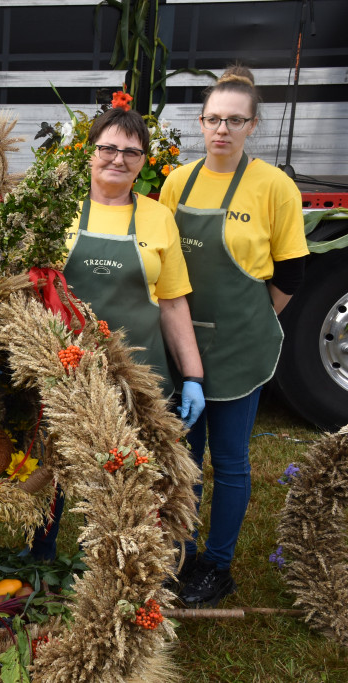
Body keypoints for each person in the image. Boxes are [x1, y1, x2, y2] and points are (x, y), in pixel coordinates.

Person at [27, 107, 206, 561]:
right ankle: (40, 554)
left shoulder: (158, 218)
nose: (118, 159)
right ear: (90, 153)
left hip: (140, 375)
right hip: (69, 369)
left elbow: (172, 301)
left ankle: (126, 562)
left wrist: (193, 376)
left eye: (131, 151)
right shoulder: (58, 213)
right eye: (108, 147)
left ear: (143, 161)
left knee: (134, 473)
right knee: (55, 466)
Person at [159, 66, 309, 606]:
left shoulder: (275, 187)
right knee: (183, 457)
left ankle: (216, 566)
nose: (222, 129)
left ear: (253, 125)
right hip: (183, 342)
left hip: (241, 344)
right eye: (214, 119)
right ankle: (179, 552)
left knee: (230, 458)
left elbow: (291, 273)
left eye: (235, 121)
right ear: (200, 122)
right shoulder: (179, 181)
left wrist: (253, 317)